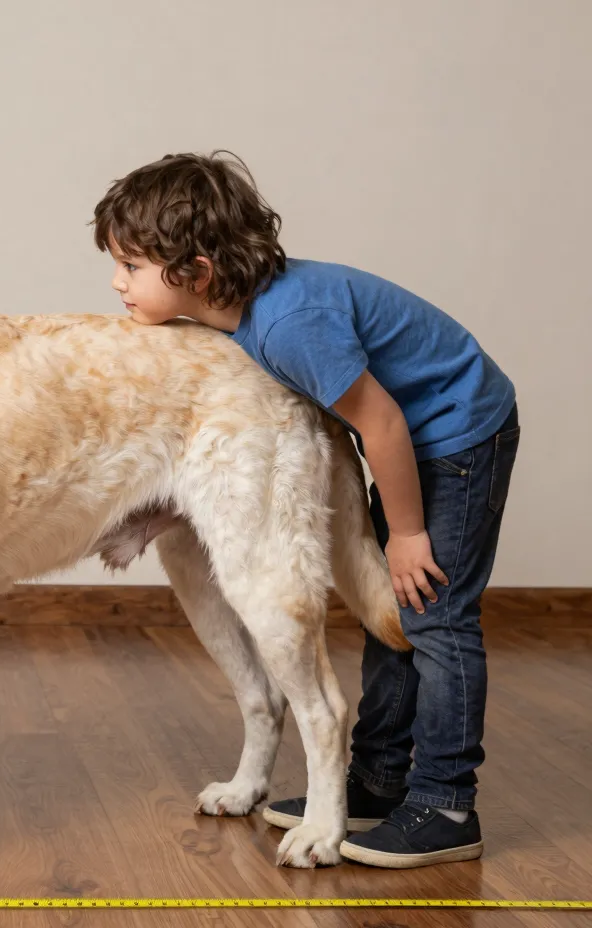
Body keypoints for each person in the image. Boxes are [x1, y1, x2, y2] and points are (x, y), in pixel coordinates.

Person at [90, 151, 520, 868]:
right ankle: (379, 782)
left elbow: (380, 423)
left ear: (194, 271)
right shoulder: (240, 317)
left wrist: (408, 532)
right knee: (396, 609)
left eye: (131, 267)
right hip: (415, 438)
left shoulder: (290, 323)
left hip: (458, 432)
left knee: (436, 612)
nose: (117, 282)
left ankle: (447, 804)